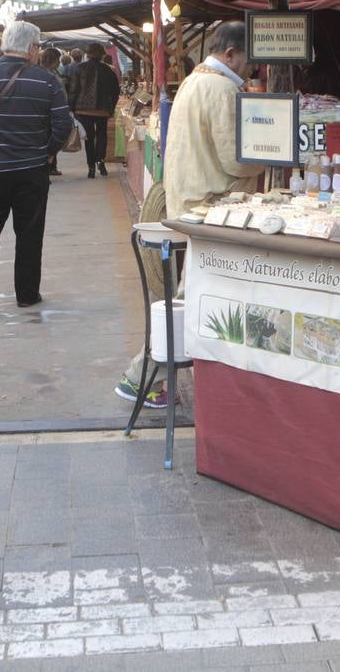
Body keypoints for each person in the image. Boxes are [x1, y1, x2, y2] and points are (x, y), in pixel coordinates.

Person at [115, 21, 265, 408]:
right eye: (248, 59)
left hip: (192, 203)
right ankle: (141, 374)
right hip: (214, 208)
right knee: (193, 297)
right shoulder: (222, 87)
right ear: (231, 53)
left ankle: (148, 374)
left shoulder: (195, 82)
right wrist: (266, 161)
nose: (252, 68)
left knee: (193, 294)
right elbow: (236, 159)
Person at [0, 20, 72, 308]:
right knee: (29, 231)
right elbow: (63, 124)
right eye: (38, 47)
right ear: (30, 49)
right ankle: (27, 295)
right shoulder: (47, 80)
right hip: (31, 170)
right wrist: (47, 151)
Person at [71, 43, 121, 179]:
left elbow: (74, 90)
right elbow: (116, 91)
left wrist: (71, 107)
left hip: (83, 109)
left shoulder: (80, 69)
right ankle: (101, 161)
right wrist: (111, 108)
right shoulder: (108, 70)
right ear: (102, 54)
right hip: (102, 109)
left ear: (87, 53)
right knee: (102, 135)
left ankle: (91, 167)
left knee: (89, 138)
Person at [39, 47, 68, 177]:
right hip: (50, 113)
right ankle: (48, 167)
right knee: (50, 139)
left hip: (47, 113)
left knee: (49, 139)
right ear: (54, 60)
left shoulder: (46, 72)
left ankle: (50, 167)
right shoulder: (48, 74)